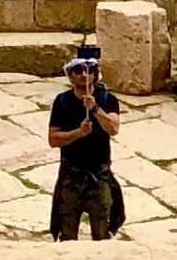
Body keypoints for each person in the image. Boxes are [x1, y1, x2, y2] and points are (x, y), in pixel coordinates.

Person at [47, 40, 124, 239]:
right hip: (71, 175)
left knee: (102, 228)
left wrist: (95, 109)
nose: (84, 74)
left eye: (89, 70)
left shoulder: (107, 99)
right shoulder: (62, 102)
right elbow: (53, 139)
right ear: (70, 76)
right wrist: (78, 133)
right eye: (79, 70)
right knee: (67, 229)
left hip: (98, 174)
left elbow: (113, 128)